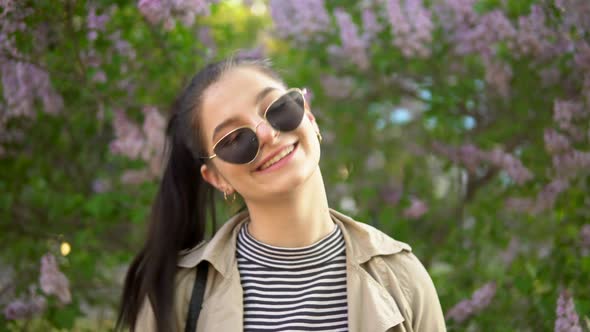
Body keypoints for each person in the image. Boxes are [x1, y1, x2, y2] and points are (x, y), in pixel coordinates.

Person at [116, 57, 446, 332]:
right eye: (233, 139)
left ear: (310, 116)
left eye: (276, 107)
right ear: (216, 178)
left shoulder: (402, 278)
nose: (267, 133)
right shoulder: (177, 297)